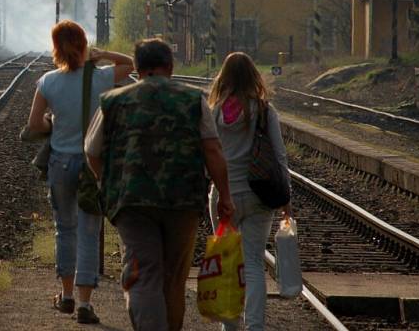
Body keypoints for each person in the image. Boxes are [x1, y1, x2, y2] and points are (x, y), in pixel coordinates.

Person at [85, 38, 234, 331]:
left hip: (132, 202)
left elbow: (92, 151)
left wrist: (107, 181)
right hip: (183, 202)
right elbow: (213, 150)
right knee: (174, 277)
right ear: (171, 66)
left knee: (144, 273)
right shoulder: (193, 100)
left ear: (137, 68)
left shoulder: (113, 101)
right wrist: (224, 195)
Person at [27, 20, 134, 324]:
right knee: (90, 232)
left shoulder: (47, 81)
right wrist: (102, 54)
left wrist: (51, 124)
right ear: (84, 45)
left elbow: (35, 125)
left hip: (60, 161)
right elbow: (130, 64)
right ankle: (85, 303)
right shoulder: (100, 77)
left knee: (65, 228)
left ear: (55, 48)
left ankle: (67, 295)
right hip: (92, 163)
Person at [207, 52, 292, 331]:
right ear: (254, 76)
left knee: (228, 263)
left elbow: (207, 153)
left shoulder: (216, 111)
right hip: (259, 196)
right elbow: (280, 157)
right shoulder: (265, 111)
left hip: (223, 196)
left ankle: (229, 327)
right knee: (254, 263)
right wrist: (286, 198)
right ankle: (255, 327)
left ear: (224, 77)